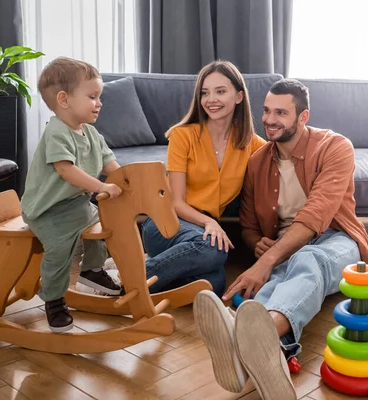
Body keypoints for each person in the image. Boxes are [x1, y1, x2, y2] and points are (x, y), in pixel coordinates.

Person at [193, 79, 368, 398]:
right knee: (273, 287)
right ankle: (264, 360)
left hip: (335, 240)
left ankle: (245, 334)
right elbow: (249, 224)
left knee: (307, 259)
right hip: (284, 249)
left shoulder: (335, 147)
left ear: (303, 116)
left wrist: (265, 261)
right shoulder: (257, 161)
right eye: (267, 111)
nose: (269, 119)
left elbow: (316, 214)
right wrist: (257, 244)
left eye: (281, 112)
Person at [141, 60, 266, 297]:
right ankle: (128, 279)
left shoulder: (252, 144)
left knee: (214, 283)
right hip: (165, 221)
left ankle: (157, 272)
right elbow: (175, 202)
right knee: (214, 250)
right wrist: (209, 223)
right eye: (205, 93)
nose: (211, 99)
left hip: (201, 232)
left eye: (220, 91)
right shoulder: (183, 135)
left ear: (239, 97)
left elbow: (280, 161)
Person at [20, 57, 124, 333]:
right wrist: (101, 187)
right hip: (48, 210)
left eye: (99, 96)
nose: (99, 103)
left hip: (75, 204)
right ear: (64, 100)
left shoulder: (90, 132)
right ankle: (53, 299)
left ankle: (92, 270)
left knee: (105, 226)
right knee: (58, 250)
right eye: (92, 96)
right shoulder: (56, 132)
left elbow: (109, 164)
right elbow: (67, 170)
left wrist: (128, 181)